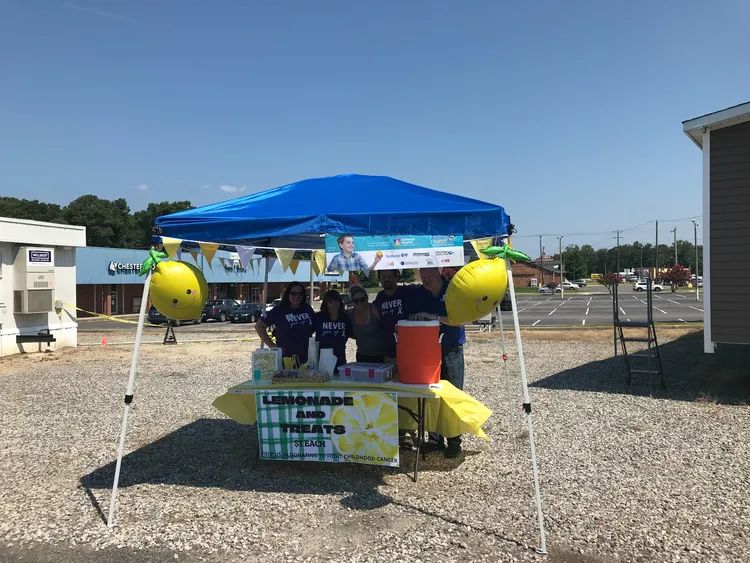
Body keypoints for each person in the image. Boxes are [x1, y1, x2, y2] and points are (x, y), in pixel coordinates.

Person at [410, 267, 466, 459]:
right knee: (432, 395)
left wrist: (433, 318)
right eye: (423, 277)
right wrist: (416, 317)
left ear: (439, 274)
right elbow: (413, 315)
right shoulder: (420, 294)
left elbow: (461, 320)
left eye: (430, 276)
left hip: (451, 350)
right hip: (429, 351)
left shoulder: (452, 290)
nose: (426, 280)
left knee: (452, 396)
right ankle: (434, 439)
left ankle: (454, 441)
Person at [254, 282, 315, 366]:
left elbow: (316, 326)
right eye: (293, 293)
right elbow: (259, 326)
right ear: (288, 294)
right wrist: (272, 346)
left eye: (300, 294)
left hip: (307, 357)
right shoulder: (279, 310)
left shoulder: (307, 309)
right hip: (286, 359)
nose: (297, 296)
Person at [372, 269, 414, 366]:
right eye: (383, 277)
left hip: (408, 348)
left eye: (390, 276)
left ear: (395, 277)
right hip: (388, 350)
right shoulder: (380, 296)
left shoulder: (406, 292)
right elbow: (376, 314)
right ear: (380, 280)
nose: (387, 279)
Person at [313, 289, 353, 372]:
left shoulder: (345, 318)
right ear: (326, 304)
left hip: (340, 359)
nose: (334, 304)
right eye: (331, 302)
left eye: (336, 301)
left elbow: (352, 333)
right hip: (323, 359)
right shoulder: (318, 317)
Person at [348, 284, 384, 363]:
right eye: (356, 301)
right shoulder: (351, 315)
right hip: (361, 355)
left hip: (380, 355)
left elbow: (385, 326)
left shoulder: (373, 309)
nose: (360, 302)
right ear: (353, 302)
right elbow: (349, 332)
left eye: (362, 299)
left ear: (367, 298)